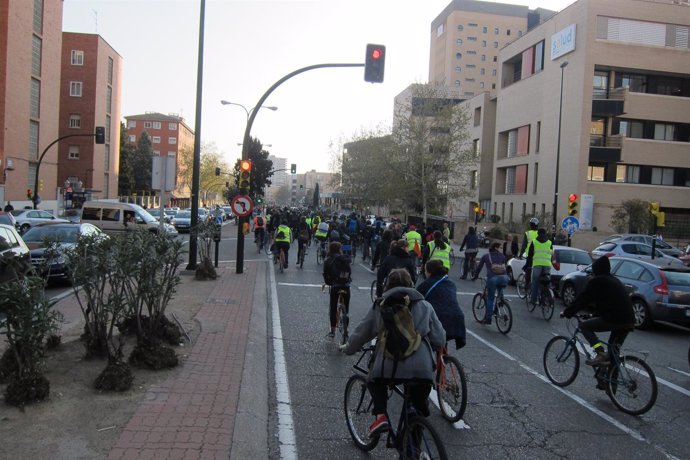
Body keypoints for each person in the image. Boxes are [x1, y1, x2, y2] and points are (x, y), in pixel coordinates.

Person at [341, 268, 446, 437]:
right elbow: (440, 339)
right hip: (422, 369)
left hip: (389, 365)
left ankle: (381, 415)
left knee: (374, 380)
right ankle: (413, 447)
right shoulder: (425, 305)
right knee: (417, 410)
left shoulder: (381, 305)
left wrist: (348, 348)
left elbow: (363, 332)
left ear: (387, 285)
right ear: (411, 283)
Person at [562, 256, 635, 366]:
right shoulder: (614, 280)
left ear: (596, 269)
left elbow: (583, 299)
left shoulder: (597, 281)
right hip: (629, 320)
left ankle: (600, 352)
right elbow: (610, 304)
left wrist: (567, 312)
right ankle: (609, 382)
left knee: (584, 326)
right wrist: (593, 315)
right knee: (612, 353)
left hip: (616, 318)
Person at [417, 259, 466, 350]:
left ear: (429, 272)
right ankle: (444, 358)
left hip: (439, 318)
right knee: (444, 338)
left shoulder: (426, 284)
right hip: (457, 317)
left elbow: (416, 299)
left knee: (426, 340)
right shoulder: (450, 283)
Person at [472, 242, 510, 324]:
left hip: (492, 278)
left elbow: (479, 268)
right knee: (500, 290)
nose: (501, 249)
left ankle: (488, 319)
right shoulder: (502, 256)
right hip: (505, 278)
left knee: (490, 299)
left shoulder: (486, 256)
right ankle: (500, 303)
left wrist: (475, 276)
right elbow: (504, 267)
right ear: (496, 248)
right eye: (500, 247)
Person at [323, 241, 352, 337]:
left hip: (335, 285)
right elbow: (350, 272)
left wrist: (329, 282)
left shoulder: (328, 260)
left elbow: (325, 274)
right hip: (346, 286)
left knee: (333, 307)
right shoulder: (344, 259)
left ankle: (332, 330)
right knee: (346, 309)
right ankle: (346, 329)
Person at [527, 228, 553, 310]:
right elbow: (552, 254)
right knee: (547, 282)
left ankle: (533, 300)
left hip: (537, 264)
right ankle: (548, 299)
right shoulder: (549, 242)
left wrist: (528, 265)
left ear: (538, 234)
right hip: (547, 265)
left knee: (535, 283)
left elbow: (530, 255)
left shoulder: (534, 241)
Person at [520, 217, 540, 286]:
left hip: (530, 255)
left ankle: (527, 285)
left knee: (528, 270)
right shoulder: (540, 233)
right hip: (538, 255)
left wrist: (521, 254)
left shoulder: (528, 233)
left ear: (531, 225)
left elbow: (524, 245)